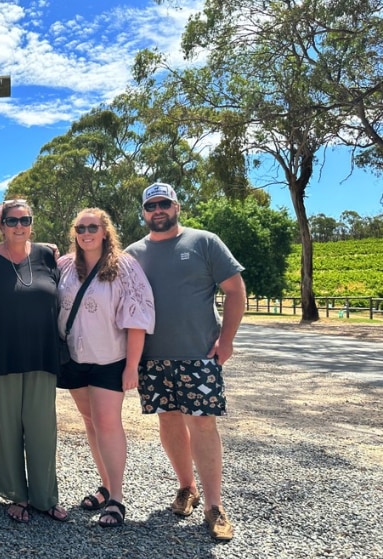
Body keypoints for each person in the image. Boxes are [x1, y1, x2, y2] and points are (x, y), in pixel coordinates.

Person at [124, 182, 246, 541]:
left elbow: (235, 290)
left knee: (203, 424)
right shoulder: (133, 253)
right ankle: (185, 487)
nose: (157, 210)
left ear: (177, 206)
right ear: (144, 212)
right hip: (153, 358)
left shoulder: (204, 242)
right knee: (169, 422)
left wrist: (227, 339)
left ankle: (214, 506)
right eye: (151, 206)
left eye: (164, 203)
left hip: (198, 356)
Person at [57, 208, 155, 528]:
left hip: (110, 359)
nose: (86, 232)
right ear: (75, 232)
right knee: (90, 422)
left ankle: (117, 499)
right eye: (81, 227)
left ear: (104, 231)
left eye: (93, 227)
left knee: (107, 422)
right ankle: (106, 486)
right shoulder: (65, 267)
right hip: (73, 358)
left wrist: (132, 366)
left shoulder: (124, 267)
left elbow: (137, 318)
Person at [0, 199, 66, 524]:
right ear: (0, 225)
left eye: (24, 220)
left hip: (42, 355)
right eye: (11, 221)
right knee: (5, 429)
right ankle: (17, 496)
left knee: (43, 429)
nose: (18, 226)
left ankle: (45, 497)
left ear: (31, 223)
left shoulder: (46, 255)